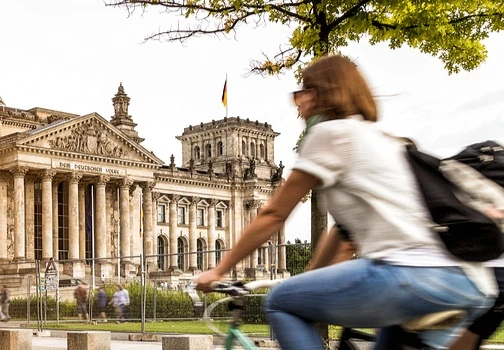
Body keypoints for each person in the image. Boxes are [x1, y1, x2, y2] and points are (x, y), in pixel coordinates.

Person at [194, 54, 494, 350]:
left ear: (322, 94)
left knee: (280, 302)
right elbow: (343, 231)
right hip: (464, 279)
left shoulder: (329, 133)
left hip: (405, 272)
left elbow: (273, 213)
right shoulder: (387, 141)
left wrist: (219, 270)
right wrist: (314, 279)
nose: (297, 101)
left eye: (302, 92)